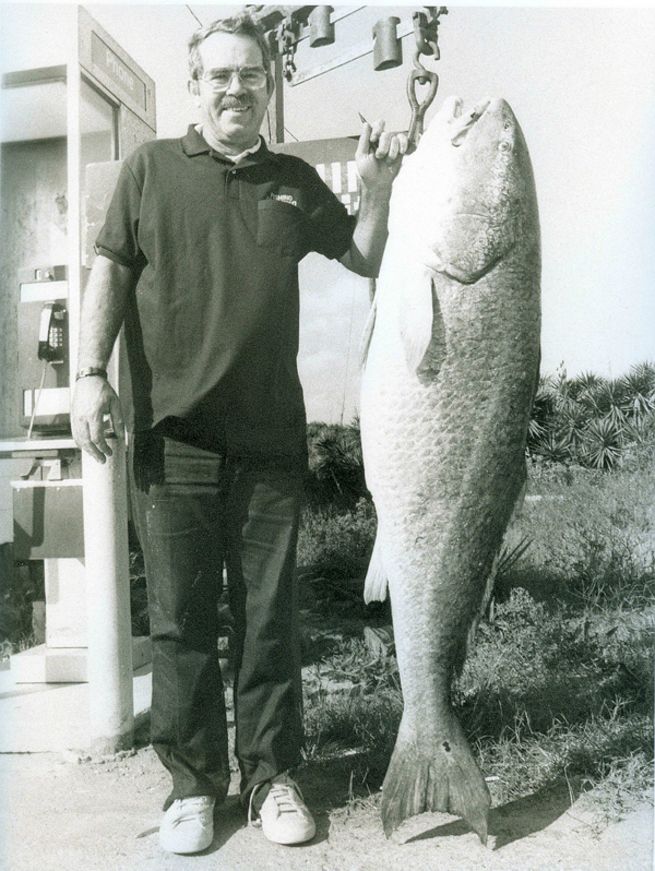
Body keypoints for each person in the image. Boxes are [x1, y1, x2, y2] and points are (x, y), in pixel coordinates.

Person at [71, 12, 406, 857]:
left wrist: (377, 185)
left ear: (270, 85)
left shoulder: (292, 180)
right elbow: (107, 272)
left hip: (267, 445)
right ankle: (192, 786)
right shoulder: (149, 171)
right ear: (196, 83)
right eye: (219, 75)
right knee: (180, 622)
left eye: (250, 75)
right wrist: (87, 376)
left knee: (268, 619)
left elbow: (364, 257)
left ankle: (272, 778)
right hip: (173, 438)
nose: (234, 88)